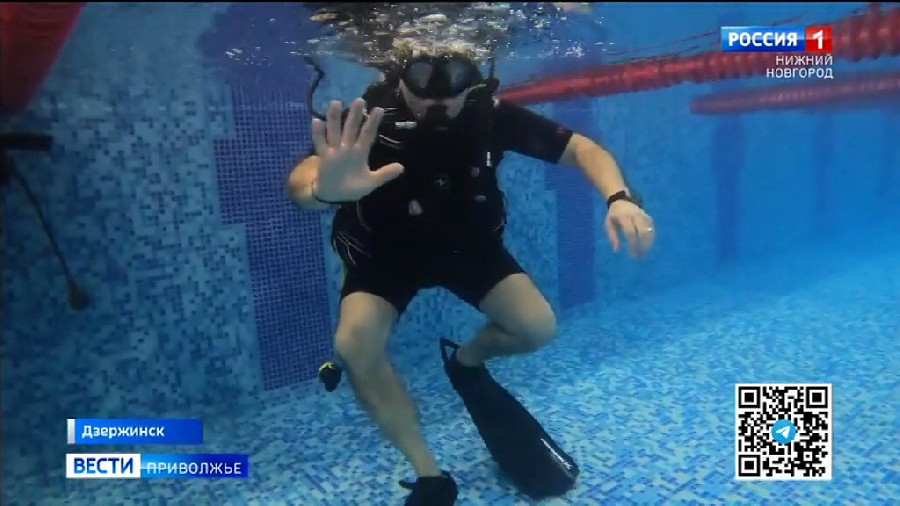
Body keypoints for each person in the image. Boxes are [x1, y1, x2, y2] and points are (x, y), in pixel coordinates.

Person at [286, 49, 656, 505]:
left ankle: (465, 362)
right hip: (384, 255)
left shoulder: (490, 117)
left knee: (537, 328)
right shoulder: (369, 121)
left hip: (467, 248)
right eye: (422, 81)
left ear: (475, 80)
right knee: (355, 345)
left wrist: (619, 198)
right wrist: (323, 188)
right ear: (399, 78)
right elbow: (302, 181)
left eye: (455, 82)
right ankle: (429, 475)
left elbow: (582, 148)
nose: (436, 99)